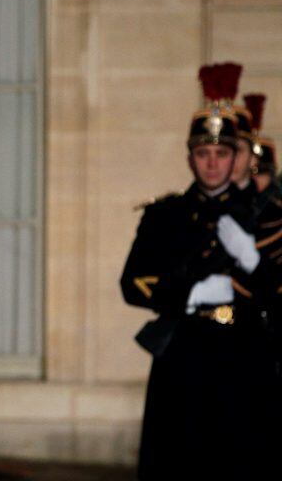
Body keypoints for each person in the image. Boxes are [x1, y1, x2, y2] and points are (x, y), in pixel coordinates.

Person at [120, 67, 279, 480]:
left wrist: (254, 263)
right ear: (190, 156)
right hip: (184, 357)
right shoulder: (164, 215)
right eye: (203, 153)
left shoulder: (263, 217)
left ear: (236, 157)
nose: (212, 163)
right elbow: (133, 282)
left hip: (247, 355)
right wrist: (192, 293)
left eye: (222, 153)